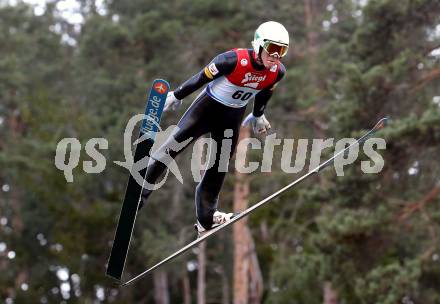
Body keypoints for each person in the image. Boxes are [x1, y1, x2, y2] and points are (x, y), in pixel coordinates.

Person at [141, 21, 289, 237]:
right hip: (206, 110)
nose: (276, 56)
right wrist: (177, 95)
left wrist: (258, 114)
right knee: (171, 149)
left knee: (218, 169)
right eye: (273, 49)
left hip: (232, 118)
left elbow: (265, 92)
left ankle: (206, 219)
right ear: (258, 45)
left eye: (282, 51)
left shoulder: (277, 72)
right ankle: (140, 191)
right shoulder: (231, 60)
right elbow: (201, 77)